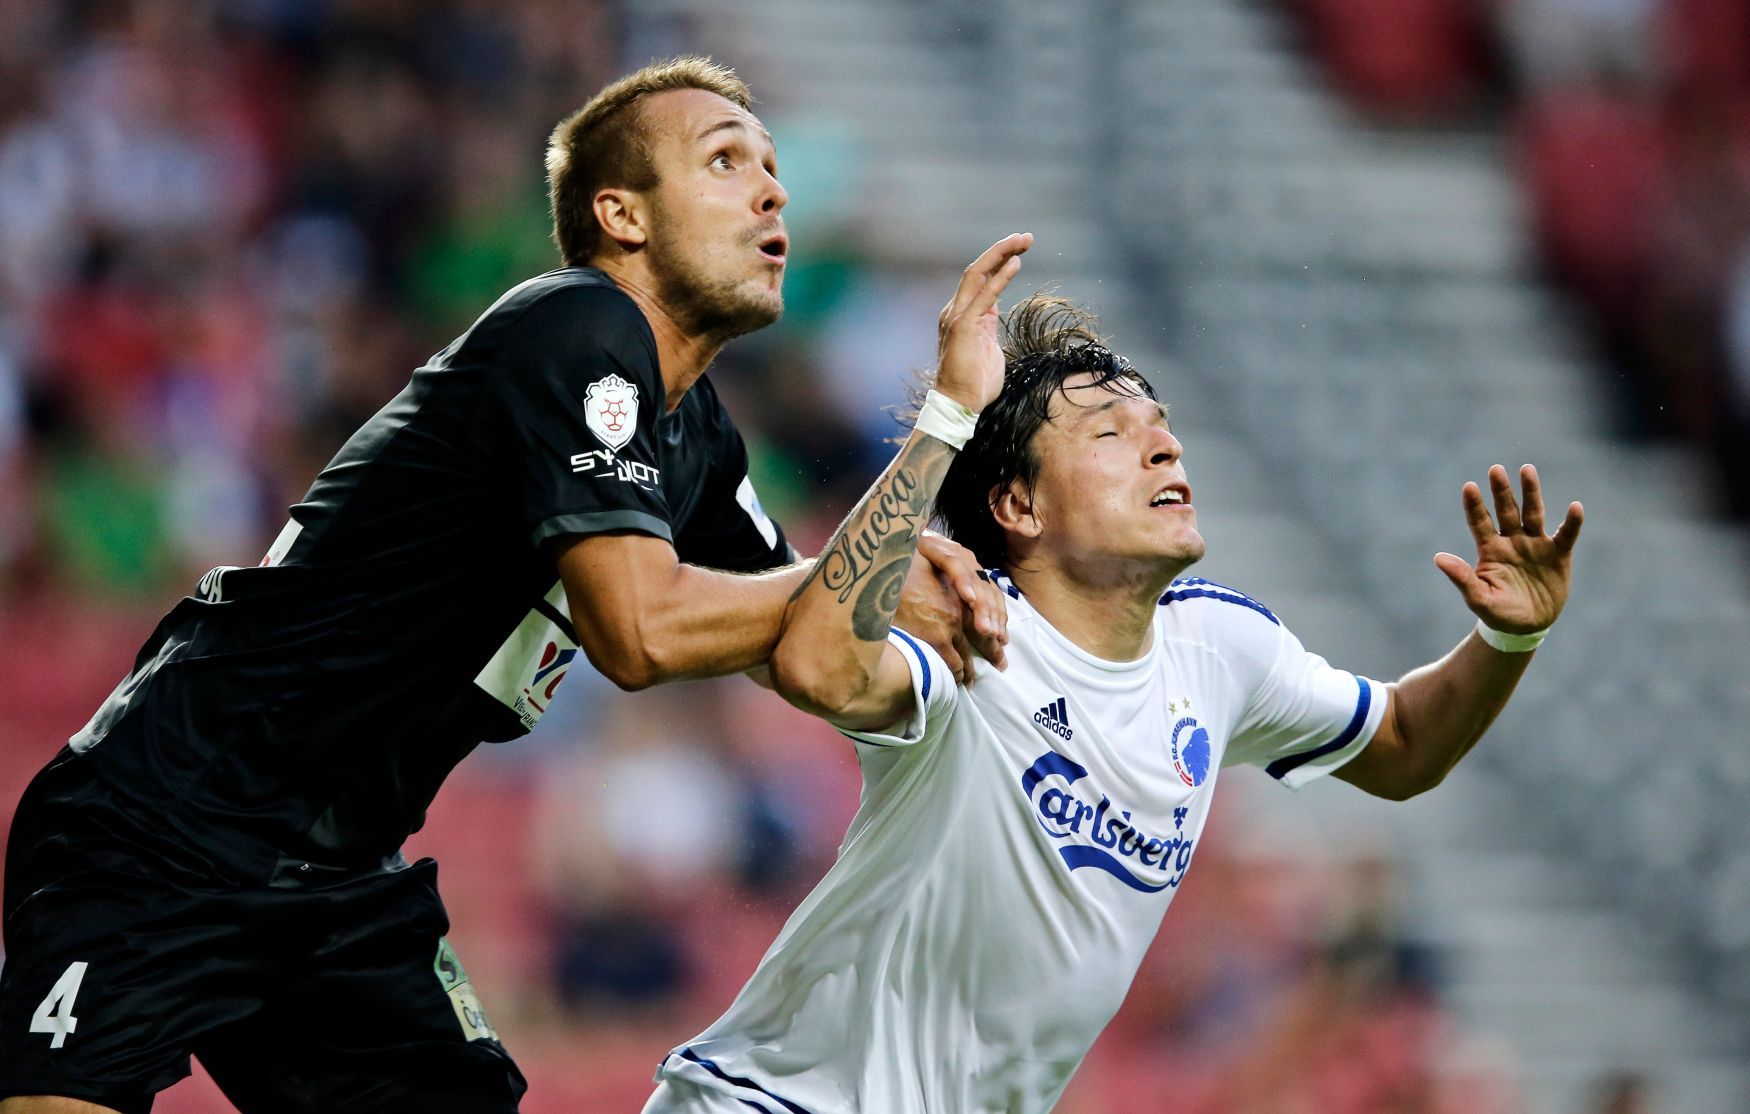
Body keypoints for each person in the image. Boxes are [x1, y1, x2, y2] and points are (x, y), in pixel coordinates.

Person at [0, 58, 1006, 1114]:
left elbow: (815, 648)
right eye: (725, 161)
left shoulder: (696, 436)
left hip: (336, 881)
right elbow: (640, 630)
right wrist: (859, 578)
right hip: (164, 819)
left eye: (770, 167)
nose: (772, 191)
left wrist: (937, 456)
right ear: (622, 215)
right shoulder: (576, 328)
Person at [644, 235, 1586, 1113]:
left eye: (1160, 426)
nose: (1164, 446)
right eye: (1110, 434)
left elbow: (1406, 744)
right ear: (1018, 504)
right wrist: (948, 417)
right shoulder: (971, 629)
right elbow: (819, 665)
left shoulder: (1221, 650)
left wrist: (1506, 642)